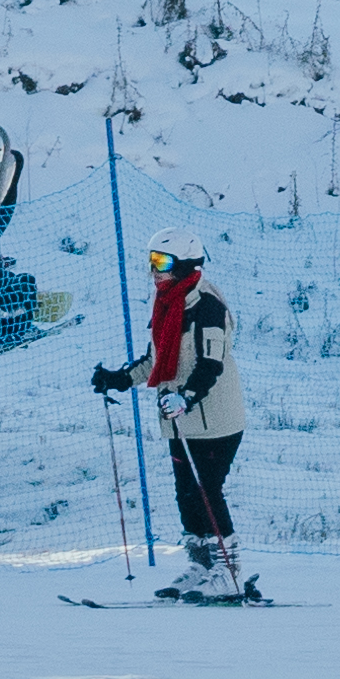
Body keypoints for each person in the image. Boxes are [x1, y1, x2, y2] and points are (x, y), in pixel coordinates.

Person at [90, 236, 254, 598]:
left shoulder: (207, 305)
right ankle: (202, 565)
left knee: (207, 492)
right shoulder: (167, 304)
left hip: (216, 419)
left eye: (162, 262)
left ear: (185, 264)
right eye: (151, 260)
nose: (154, 270)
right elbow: (157, 361)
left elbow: (212, 364)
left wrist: (187, 397)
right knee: (185, 493)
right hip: (180, 420)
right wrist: (118, 379)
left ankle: (230, 570)